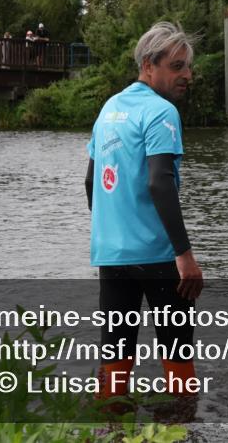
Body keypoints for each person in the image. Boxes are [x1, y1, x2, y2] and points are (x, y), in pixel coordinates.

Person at [84, 21, 203, 409]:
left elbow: (91, 181)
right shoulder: (161, 111)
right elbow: (160, 183)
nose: (187, 75)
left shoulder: (109, 108)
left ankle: (110, 427)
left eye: (187, 66)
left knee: (115, 355)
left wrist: (113, 231)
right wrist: (184, 255)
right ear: (149, 66)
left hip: (112, 256)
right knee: (177, 352)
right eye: (177, 66)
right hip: (158, 256)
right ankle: (182, 427)